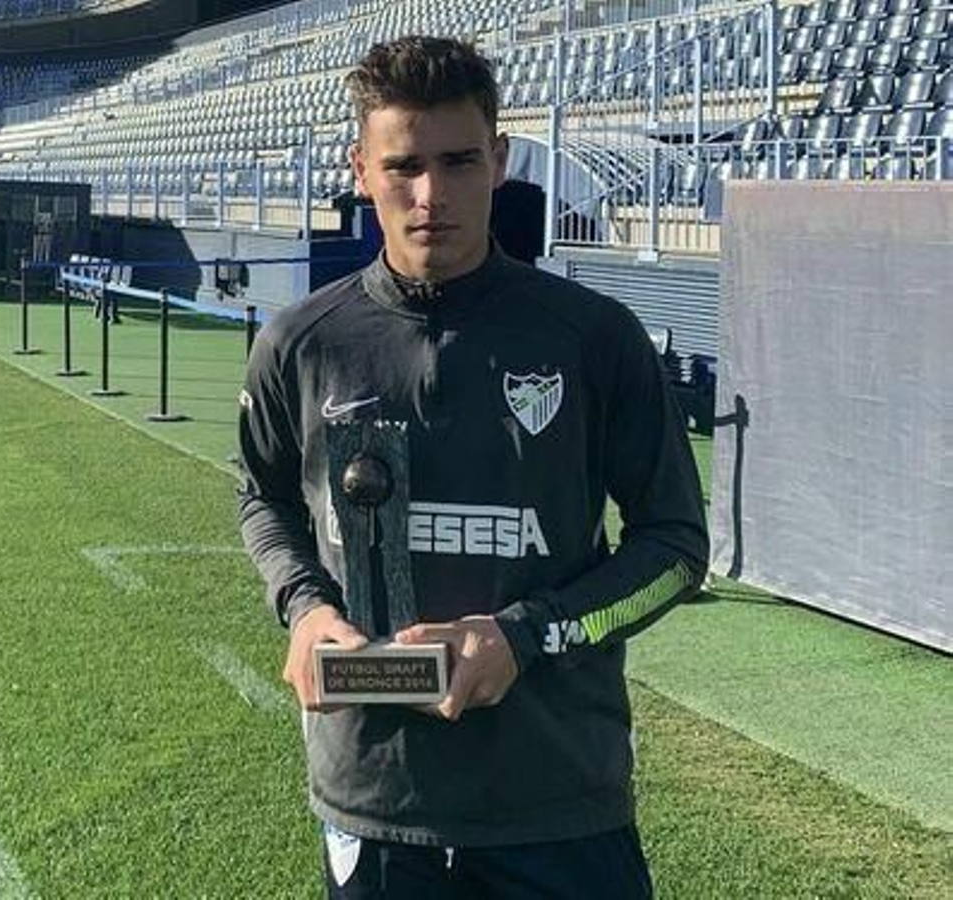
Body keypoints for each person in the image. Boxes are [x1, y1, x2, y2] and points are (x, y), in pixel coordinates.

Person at [236, 36, 708, 898]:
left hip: (559, 801)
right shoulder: (301, 344)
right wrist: (304, 610)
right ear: (361, 170)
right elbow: (262, 499)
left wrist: (528, 635)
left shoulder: (595, 339)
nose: (430, 196)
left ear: (498, 159)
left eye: (457, 162)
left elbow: (675, 551)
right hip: (377, 801)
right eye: (403, 166)